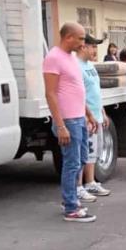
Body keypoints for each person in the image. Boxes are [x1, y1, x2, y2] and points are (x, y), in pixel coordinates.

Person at [42, 22, 98, 222]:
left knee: (82, 158)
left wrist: (89, 114)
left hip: (79, 118)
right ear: (68, 37)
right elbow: (50, 93)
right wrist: (60, 125)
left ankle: (71, 199)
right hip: (68, 120)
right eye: (81, 38)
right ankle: (71, 208)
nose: (84, 43)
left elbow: (76, 89)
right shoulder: (53, 58)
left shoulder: (71, 58)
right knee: (72, 163)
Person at [77, 33, 111, 198]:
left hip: (96, 114)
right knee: (85, 153)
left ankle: (90, 183)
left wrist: (102, 112)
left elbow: (95, 91)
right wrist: (87, 115)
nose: (95, 50)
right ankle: (80, 186)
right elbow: (78, 95)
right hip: (86, 116)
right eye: (93, 46)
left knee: (94, 153)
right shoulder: (76, 66)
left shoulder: (90, 65)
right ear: (83, 46)